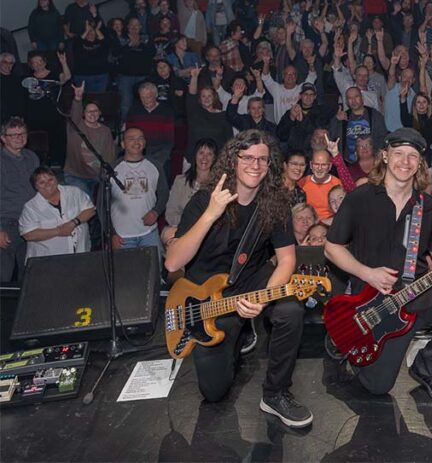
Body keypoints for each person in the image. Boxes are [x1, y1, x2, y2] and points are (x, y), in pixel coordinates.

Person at [325, 128, 432, 404]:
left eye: (413, 156)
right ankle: (347, 339)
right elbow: (331, 248)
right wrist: (368, 273)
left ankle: (427, 364)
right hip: (374, 302)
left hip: (418, 292)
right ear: (385, 156)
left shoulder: (428, 206)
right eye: (399, 153)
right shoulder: (360, 198)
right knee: (377, 387)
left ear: (420, 164)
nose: (406, 161)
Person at [165, 129, 310, 427]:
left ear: (269, 165)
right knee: (215, 393)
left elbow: (286, 259)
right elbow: (173, 262)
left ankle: (275, 393)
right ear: (233, 160)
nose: (255, 165)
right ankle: (239, 333)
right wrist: (211, 214)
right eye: (247, 158)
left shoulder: (275, 203)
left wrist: (263, 298)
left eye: (262, 160)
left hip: (250, 281)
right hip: (204, 298)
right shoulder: (204, 200)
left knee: (290, 309)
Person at [109, 127, 168, 262]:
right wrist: (112, 234)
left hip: (149, 234)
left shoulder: (155, 166)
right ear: (123, 144)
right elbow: (101, 205)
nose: (137, 142)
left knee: (153, 276)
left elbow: (164, 193)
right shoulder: (112, 170)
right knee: (126, 278)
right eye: (131, 139)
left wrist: (155, 212)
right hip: (122, 237)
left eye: (140, 138)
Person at [19, 167, 95, 260]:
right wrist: (58, 231)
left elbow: (90, 209)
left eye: (50, 179)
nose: (47, 184)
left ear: (56, 179)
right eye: (42, 182)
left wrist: (73, 223)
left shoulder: (74, 192)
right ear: (36, 186)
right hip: (47, 260)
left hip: (81, 253)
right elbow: (28, 234)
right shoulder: (30, 207)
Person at [1, 117, 39, 282]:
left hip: (31, 223)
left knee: (29, 274)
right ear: (3, 138)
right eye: (13, 135)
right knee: (4, 275)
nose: (19, 137)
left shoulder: (32, 157)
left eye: (22, 133)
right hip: (7, 224)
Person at [63, 83, 116, 202]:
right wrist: (78, 98)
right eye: (88, 111)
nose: (92, 114)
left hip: (96, 176)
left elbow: (109, 155)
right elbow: (75, 112)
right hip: (75, 175)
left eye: (95, 111)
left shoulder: (105, 131)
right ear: (83, 113)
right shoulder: (75, 126)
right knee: (86, 203)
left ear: (100, 113)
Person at [162, 139, 217, 245]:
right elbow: (170, 212)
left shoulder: (219, 184)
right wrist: (188, 226)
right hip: (183, 231)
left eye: (209, 154)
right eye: (201, 153)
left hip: (209, 235)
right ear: (195, 155)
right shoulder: (180, 181)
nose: (204, 158)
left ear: (214, 158)